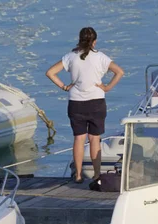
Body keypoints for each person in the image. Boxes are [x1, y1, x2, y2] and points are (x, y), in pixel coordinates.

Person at [46, 27, 125, 183]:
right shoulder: (101, 57)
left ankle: (78, 175)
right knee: (95, 139)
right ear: (94, 42)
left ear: (80, 40)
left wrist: (64, 86)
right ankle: (96, 174)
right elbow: (119, 72)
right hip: (96, 102)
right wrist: (107, 87)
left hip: (76, 103)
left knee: (79, 139)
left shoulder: (70, 56)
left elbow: (50, 72)